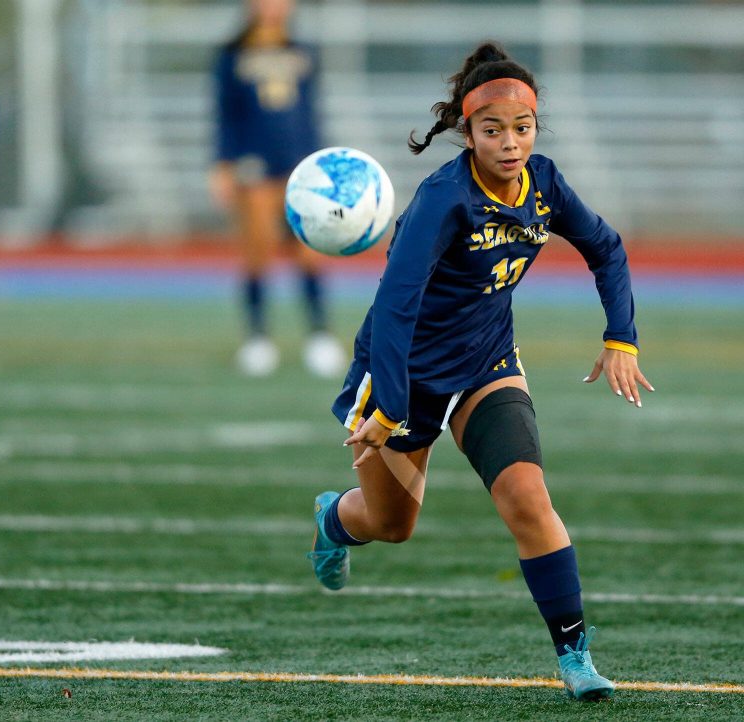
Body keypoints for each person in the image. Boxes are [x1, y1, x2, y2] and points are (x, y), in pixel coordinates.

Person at [306, 42, 653, 702]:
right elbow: (395, 306)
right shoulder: (443, 200)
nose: (510, 142)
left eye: (522, 128)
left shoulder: (544, 184)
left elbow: (605, 249)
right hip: (398, 374)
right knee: (391, 525)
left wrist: (621, 338)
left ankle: (575, 655)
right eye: (493, 130)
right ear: (468, 133)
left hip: (487, 364)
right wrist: (388, 409)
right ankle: (334, 521)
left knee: (528, 498)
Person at [210, 0, 346, 378]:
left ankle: (319, 336)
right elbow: (224, 114)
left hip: (299, 163)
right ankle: (258, 338)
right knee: (257, 251)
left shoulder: (302, 51)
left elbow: (311, 114)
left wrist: (321, 163)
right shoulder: (232, 55)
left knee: (308, 251)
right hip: (254, 164)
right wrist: (222, 164)